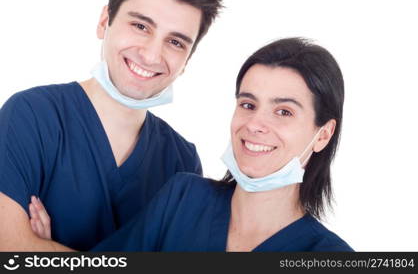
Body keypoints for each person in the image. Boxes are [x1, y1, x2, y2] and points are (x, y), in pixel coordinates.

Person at [30, 38, 353, 251]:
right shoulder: (183, 199)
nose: (255, 124)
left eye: (283, 111)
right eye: (248, 104)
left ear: (323, 134)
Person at [0, 0, 222, 251]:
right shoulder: (31, 116)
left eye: (176, 42)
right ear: (105, 21)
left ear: (187, 60)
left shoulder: (182, 161)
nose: (152, 55)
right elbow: (10, 250)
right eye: (141, 26)